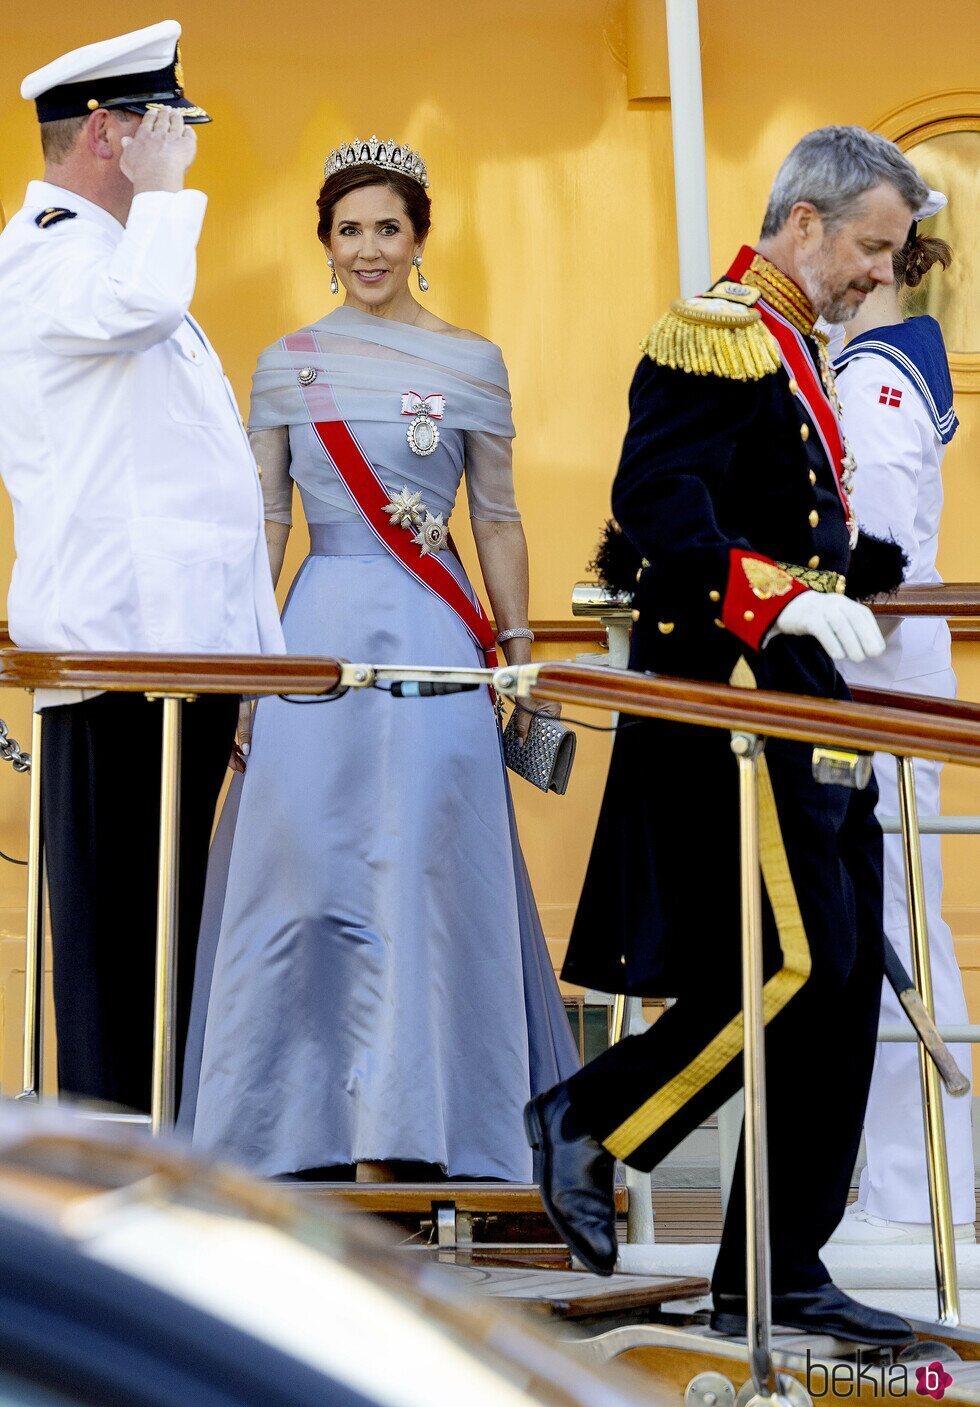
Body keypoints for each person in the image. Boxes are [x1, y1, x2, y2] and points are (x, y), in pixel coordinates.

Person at [526, 126, 930, 1347]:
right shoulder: (714, 330)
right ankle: (587, 1121)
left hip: (805, 689)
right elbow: (655, 505)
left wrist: (848, 571)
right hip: (739, 695)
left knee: (845, 973)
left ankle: (774, 1263)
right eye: (868, 246)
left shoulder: (793, 344)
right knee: (791, 965)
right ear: (801, 223)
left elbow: (772, 504)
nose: (878, 273)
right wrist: (780, 595)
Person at [178, 138, 579, 1181]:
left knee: (421, 872)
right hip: (313, 639)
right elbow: (268, 519)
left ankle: (423, 1130)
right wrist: (242, 664)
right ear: (325, 244)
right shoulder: (285, 362)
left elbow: (494, 517)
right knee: (303, 874)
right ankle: (286, 1131)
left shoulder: (471, 360)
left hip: (437, 643)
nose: (368, 248)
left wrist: (517, 652)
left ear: (417, 240)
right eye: (348, 230)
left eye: (385, 229)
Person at [0, 22, 285, 1113]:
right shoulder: (46, 258)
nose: (186, 152)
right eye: (168, 130)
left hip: (182, 666)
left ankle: (153, 1168)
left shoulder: (117, 261)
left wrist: (256, 665)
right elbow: (140, 310)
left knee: (159, 941)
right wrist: (163, 198)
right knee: (117, 947)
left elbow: (202, 490)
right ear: (113, 134)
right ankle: (116, 1192)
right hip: (117, 664)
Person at [831, 193, 975, 1244]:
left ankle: (913, 1193)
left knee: (884, 925)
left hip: (871, 668)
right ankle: (917, 1185)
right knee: (889, 919)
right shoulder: (893, 360)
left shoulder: (871, 370)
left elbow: (871, 539)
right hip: (890, 671)